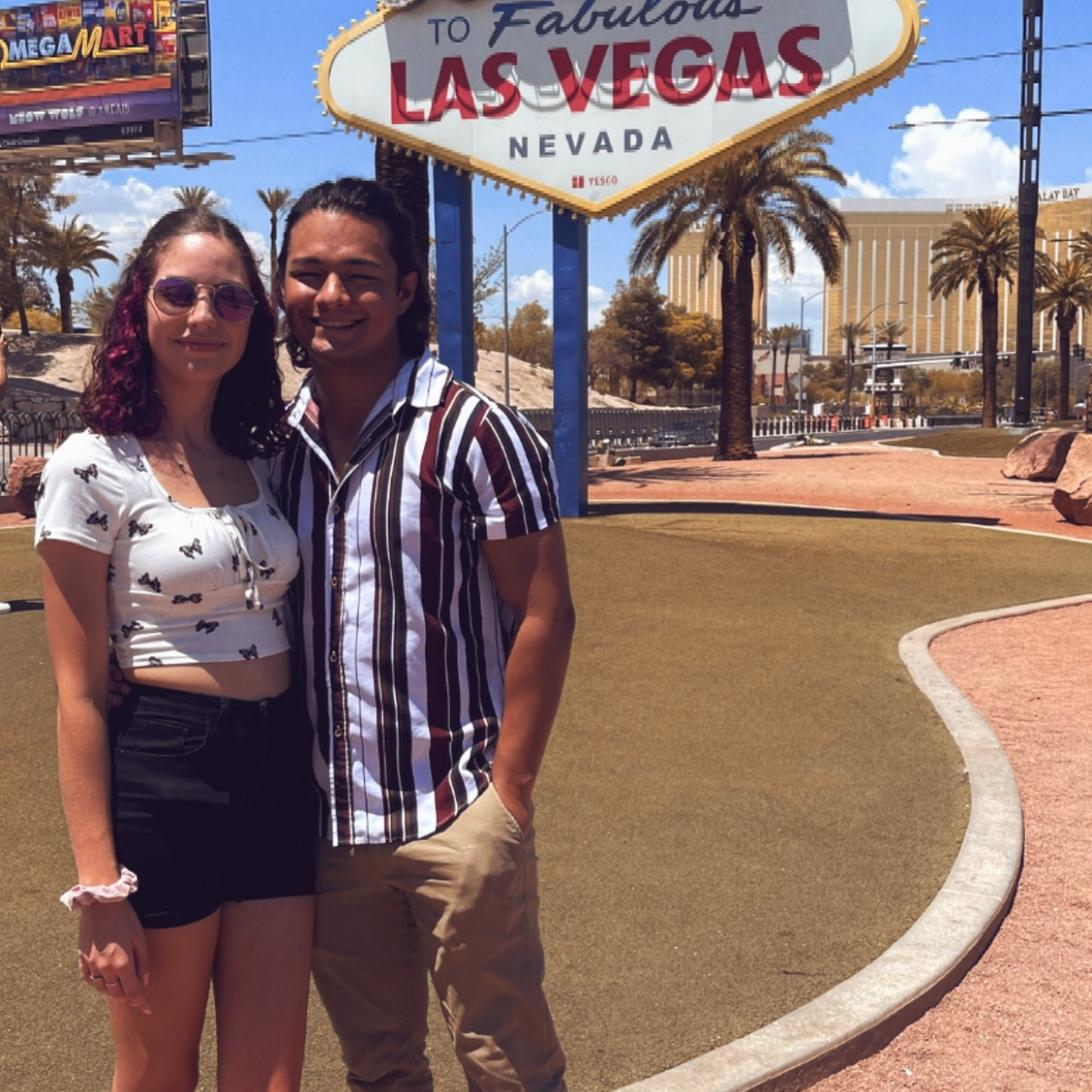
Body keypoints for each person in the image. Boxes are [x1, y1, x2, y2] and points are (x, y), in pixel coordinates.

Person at [271, 177, 575, 1090]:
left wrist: (508, 794)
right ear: (283, 285)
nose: (331, 296)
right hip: (328, 821)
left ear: (405, 288)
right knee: (378, 1064)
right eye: (308, 273)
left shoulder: (476, 431)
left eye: (360, 276)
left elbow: (545, 611)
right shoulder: (274, 443)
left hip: (456, 806)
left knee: (506, 1059)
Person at [35, 208, 316, 1092]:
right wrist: (100, 890)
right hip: (165, 769)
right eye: (179, 292)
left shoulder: (264, 459)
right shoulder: (90, 466)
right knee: (159, 1072)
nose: (204, 316)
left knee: (271, 1075)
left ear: (253, 319)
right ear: (138, 306)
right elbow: (79, 693)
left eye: (229, 298)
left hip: (279, 766)